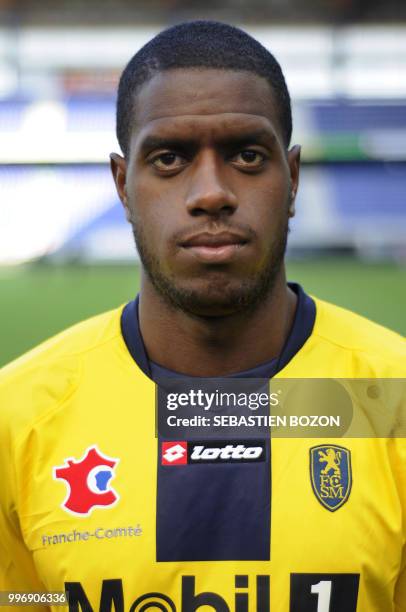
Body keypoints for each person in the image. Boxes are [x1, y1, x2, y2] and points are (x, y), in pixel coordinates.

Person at [0, 20, 405, 612]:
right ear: (122, 185)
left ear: (291, 178)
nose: (211, 192)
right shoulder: (18, 415)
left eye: (247, 154)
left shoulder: (392, 396)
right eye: (170, 158)